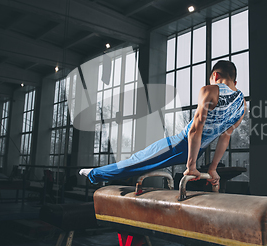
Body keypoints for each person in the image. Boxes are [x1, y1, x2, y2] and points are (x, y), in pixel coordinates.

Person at [79, 60, 247, 187]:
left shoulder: (210, 90)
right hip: (199, 150)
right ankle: (102, 175)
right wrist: (212, 168)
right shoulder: (242, 105)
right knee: (142, 165)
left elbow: (196, 129)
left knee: (137, 160)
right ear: (235, 82)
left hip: (179, 144)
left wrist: (191, 166)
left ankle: (94, 174)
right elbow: (225, 138)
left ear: (215, 76)